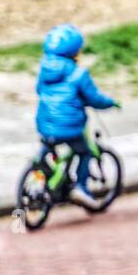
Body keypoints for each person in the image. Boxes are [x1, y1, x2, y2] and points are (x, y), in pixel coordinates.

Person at [35, 24, 121, 210]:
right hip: (69, 127)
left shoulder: (44, 71)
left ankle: (40, 171)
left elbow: (39, 90)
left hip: (45, 124)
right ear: (75, 52)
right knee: (84, 152)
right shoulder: (79, 74)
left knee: (49, 146)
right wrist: (111, 103)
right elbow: (94, 98)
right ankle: (80, 188)